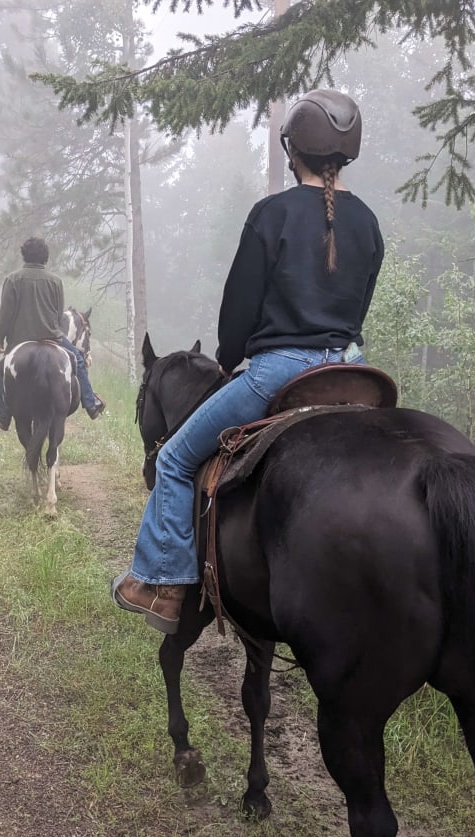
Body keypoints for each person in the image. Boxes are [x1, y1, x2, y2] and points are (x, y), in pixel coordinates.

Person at [112, 88, 384, 634]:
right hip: (353, 373)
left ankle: (162, 585)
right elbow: (358, 307)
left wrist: (228, 359)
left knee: (174, 460)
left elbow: (237, 315)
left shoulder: (272, 214)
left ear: (294, 151)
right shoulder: (369, 224)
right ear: (345, 154)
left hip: (281, 371)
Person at [0, 237, 105, 429]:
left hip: (20, 337)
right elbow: (58, 313)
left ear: (24, 255)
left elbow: (5, 315)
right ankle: (90, 403)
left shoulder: (12, 280)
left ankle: (3, 413)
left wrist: (0, 337)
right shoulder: (56, 281)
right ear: (45, 257)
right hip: (52, 336)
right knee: (77, 358)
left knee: (4, 367)